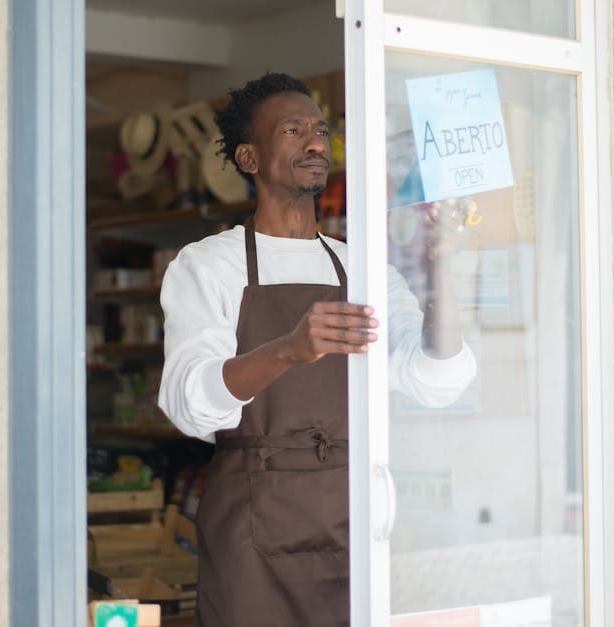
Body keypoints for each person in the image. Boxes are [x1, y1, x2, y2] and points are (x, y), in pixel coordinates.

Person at [158, 72, 476, 626]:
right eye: (293, 130)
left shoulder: (363, 268)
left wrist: (443, 264)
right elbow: (190, 404)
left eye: (321, 131)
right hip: (253, 528)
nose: (313, 143)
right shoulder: (208, 265)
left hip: (351, 517)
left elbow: (433, 379)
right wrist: (286, 349)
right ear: (250, 158)